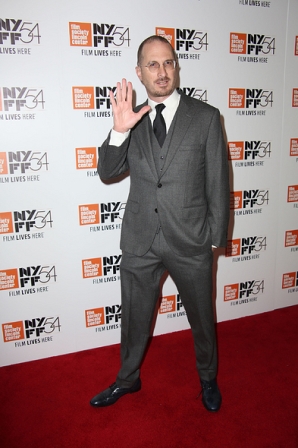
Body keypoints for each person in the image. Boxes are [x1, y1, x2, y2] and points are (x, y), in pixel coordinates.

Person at [90, 35, 230, 412]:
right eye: (152, 64)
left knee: (202, 317)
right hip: (140, 240)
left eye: (168, 62)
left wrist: (215, 239)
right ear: (139, 72)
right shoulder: (130, 118)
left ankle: (208, 378)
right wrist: (118, 130)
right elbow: (107, 172)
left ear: (176, 66)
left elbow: (218, 180)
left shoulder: (204, 116)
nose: (162, 71)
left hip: (190, 240)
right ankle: (127, 380)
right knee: (134, 318)